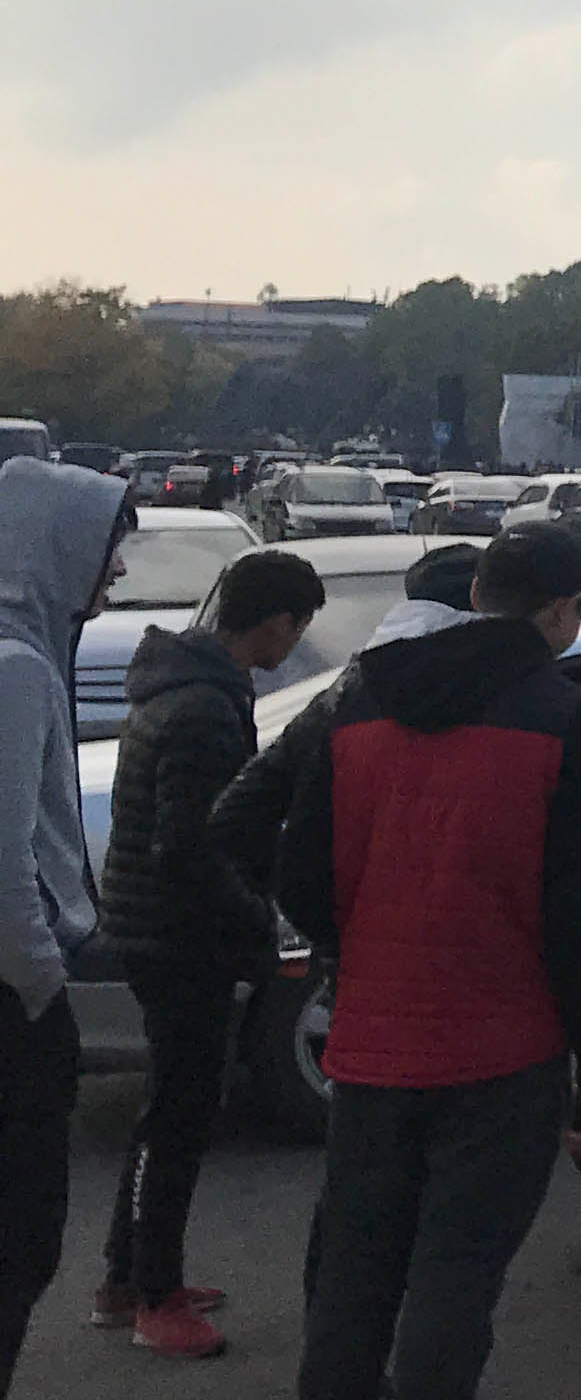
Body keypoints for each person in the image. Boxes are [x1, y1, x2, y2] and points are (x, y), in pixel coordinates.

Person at [261, 516, 581, 1400]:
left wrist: (361, 948)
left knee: (354, 1277)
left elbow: (298, 874)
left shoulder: (360, 701)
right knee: (453, 1280)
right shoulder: (567, 723)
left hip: (370, 1043)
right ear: (558, 612)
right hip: (503, 1051)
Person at [93, 546, 320, 1358]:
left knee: (171, 1107)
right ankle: (154, 1298)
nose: (296, 642)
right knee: (178, 1118)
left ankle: (130, 1276)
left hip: (155, 927)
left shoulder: (184, 687)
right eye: (299, 626)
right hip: (177, 935)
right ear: (274, 623)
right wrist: (263, 921)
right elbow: (189, 846)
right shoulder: (203, 710)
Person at [0, 457, 132, 1400]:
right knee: (20, 1240)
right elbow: (5, 877)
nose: (119, 570)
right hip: (8, 1004)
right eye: (105, 547)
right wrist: (47, 990)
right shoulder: (12, 669)